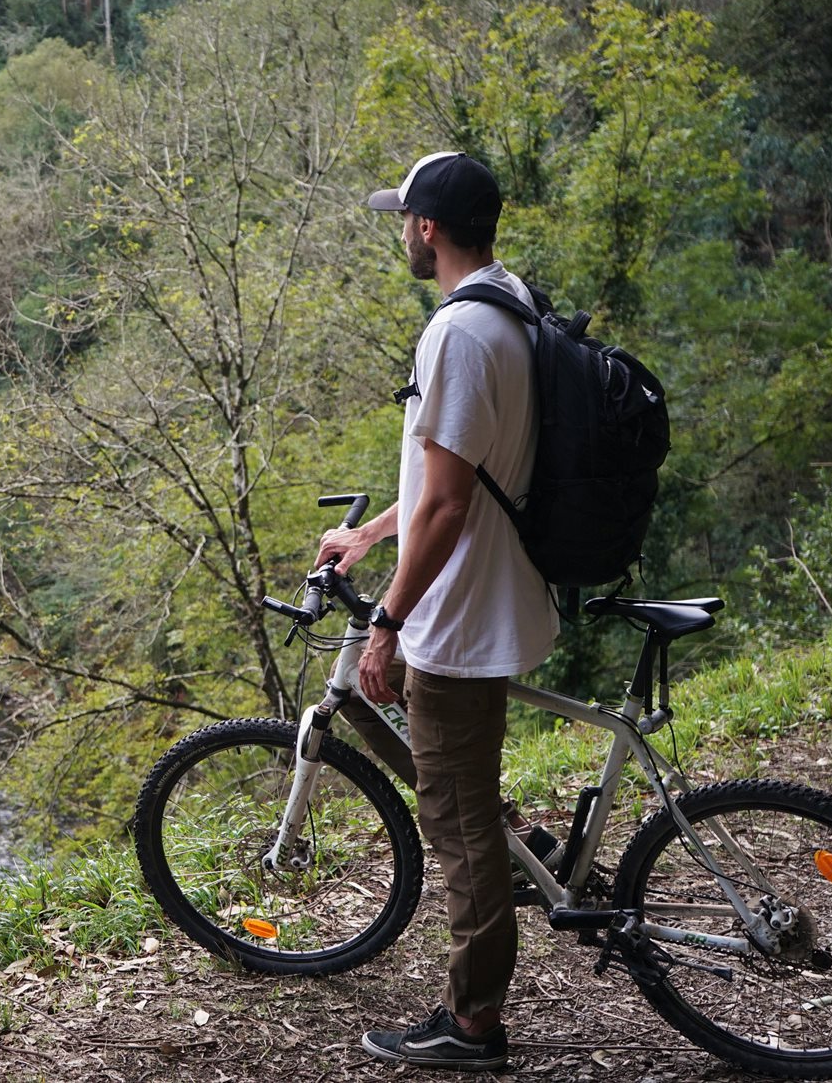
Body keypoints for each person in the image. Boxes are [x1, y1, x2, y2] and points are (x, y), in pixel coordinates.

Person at [311, 151, 557, 1072]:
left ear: (427, 228)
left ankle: (473, 1022)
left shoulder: (456, 333)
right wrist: (372, 533)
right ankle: (524, 844)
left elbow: (450, 505)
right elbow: (451, 475)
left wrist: (387, 621)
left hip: (459, 616)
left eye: (404, 221)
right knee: (465, 794)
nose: (402, 236)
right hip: (497, 589)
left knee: (458, 827)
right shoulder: (510, 301)